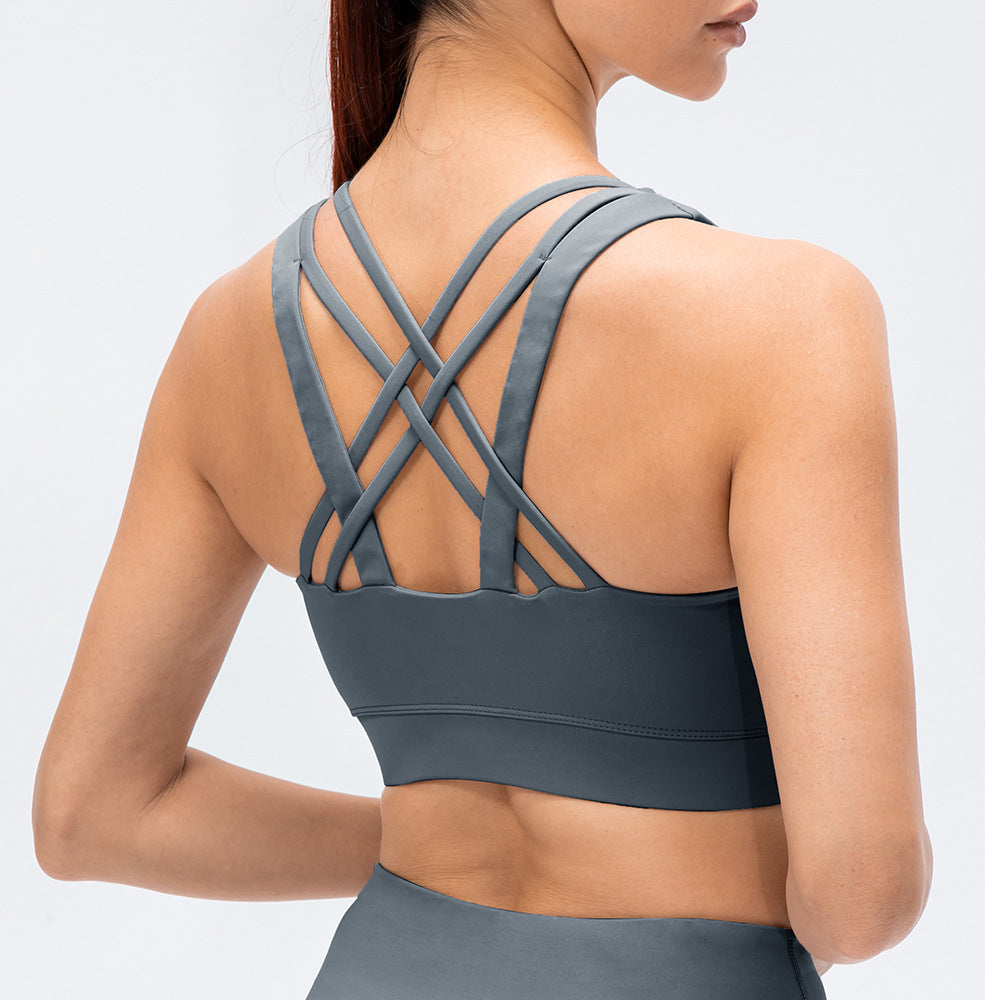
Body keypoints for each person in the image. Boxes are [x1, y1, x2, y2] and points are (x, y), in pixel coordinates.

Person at [32, 0, 933, 996]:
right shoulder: (784, 319)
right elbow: (860, 894)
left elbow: (94, 814)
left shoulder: (228, 335)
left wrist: (430, 854)